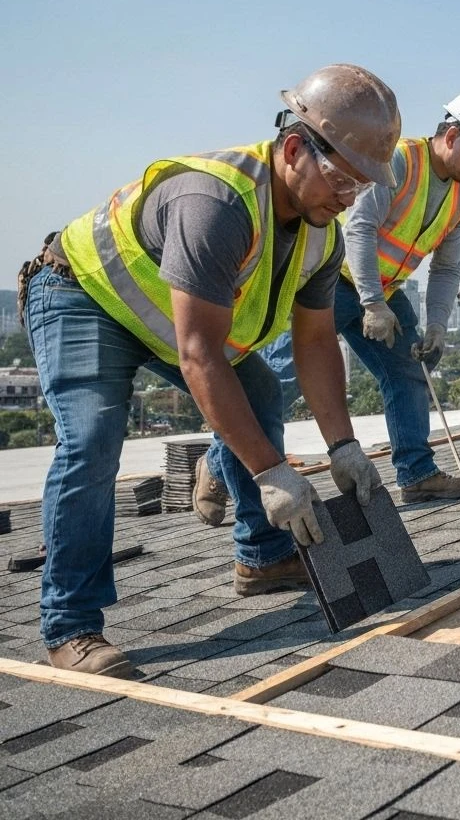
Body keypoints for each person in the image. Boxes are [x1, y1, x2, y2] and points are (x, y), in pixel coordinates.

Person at [19, 63, 400, 678]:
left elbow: (316, 343)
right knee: (92, 439)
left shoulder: (321, 235)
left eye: (363, 188)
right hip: (83, 296)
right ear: (297, 148)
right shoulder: (216, 204)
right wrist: (272, 472)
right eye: (342, 179)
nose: (348, 197)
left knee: (258, 392)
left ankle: (262, 555)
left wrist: (344, 447)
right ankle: (72, 626)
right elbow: (200, 356)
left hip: (170, 318)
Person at [194, 87, 460, 524]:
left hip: (385, 291)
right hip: (333, 281)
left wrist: (437, 324)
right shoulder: (399, 162)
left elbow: (445, 268)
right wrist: (372, 304)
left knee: (407, 369)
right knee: (279, 381)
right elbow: (360, 229)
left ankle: (417, 474)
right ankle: (215, 462)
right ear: (453, 134)